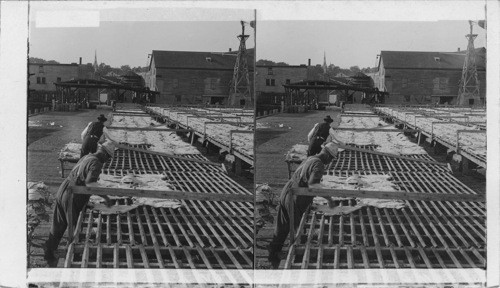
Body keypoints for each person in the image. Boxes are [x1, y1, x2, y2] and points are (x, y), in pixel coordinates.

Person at [268, 143, 340, 268]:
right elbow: (312, 184)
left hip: (288, 191)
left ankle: (273, 256)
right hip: (297, 197)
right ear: (327, 154)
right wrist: (329, 199)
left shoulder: (311, 158)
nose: (330, 161)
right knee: (298, 231)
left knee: (282, 226)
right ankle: (297, 258)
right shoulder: (319, 164)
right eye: (331, 158)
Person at [44, 141, 116, 267]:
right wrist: (106, 198)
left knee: (58, 224)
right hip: (72, 195)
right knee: (74, 228)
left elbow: (80, 175)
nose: (107, 161)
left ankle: (49, 253)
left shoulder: (87, 156)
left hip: (64, 188)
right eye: (108, 157)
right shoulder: (96, 163)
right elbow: (90, 184)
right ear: (104, 154)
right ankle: (74, 256)